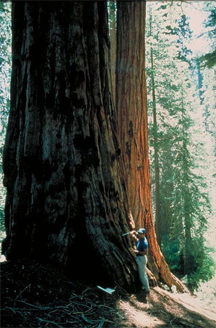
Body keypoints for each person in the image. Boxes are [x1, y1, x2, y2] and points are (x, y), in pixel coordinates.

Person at [133, 228, 150, 294]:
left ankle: (146, 289)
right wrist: (134, 232)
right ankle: (146, 287)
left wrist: (137, 252)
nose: (138, 234)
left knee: (142, 275)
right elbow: (136, 234)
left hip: (142, 258)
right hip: (140, 257)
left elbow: (145, 253)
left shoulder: (144, 242)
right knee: (143, 274)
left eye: (140, 233)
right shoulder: (141, 238)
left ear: (144, 234)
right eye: (138, 233)